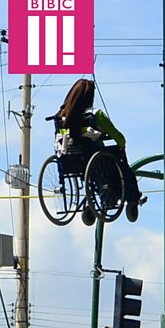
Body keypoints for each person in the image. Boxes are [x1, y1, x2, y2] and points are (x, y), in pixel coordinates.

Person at [54, 79, 144, 223]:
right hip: (96, 158)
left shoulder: (62, 118)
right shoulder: (95, 115)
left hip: (72, 159)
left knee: (97, 167)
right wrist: (120, 143)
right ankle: (132, 198)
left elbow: (65, 135)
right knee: (120, 161)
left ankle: (99, 200)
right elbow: (120, 138)